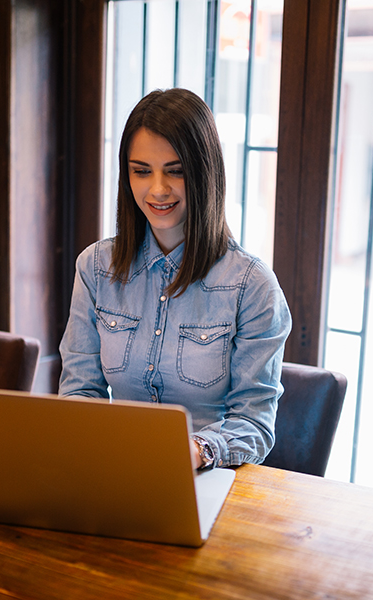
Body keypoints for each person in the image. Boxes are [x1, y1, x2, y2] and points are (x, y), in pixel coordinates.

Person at [58, 88, 292, 470]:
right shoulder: (95, 268)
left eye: (176, 171)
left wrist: (197, 450)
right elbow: (80, 391)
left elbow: (254, 422)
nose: (158, 189)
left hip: (205, 476)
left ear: (204, 173)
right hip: (115, 466)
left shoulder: (251, 285)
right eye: (141, 171)